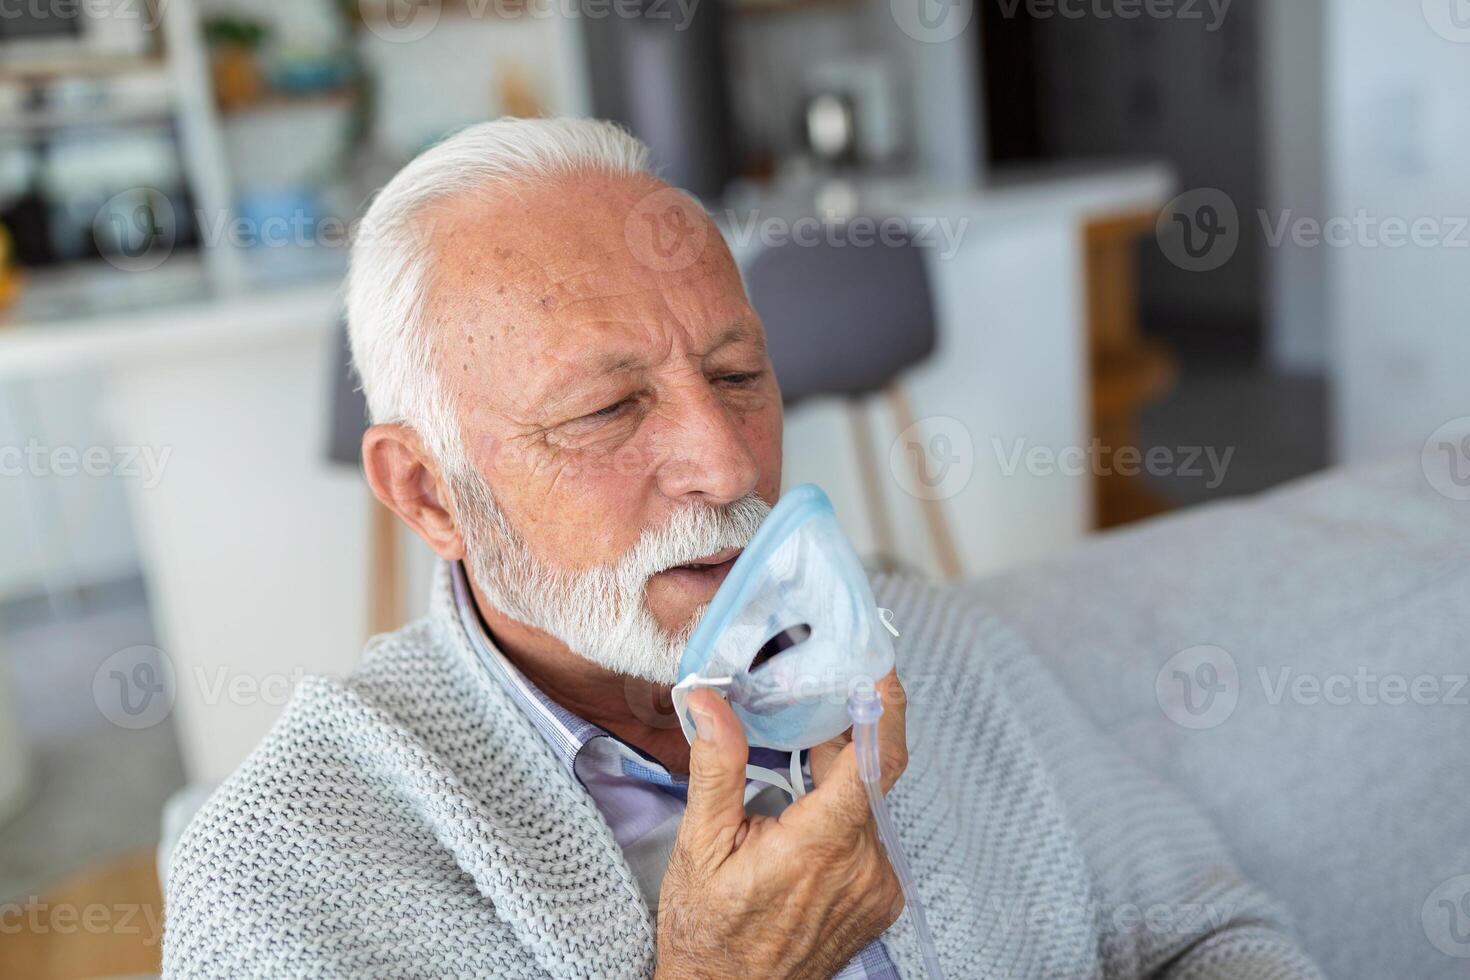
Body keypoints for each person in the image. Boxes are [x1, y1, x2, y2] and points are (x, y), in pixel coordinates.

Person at [163, 117, 1322, 979]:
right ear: (428, 489)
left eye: (737, 376)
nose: (727, 464)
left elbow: (1209, 929)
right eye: (607, 410)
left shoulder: (934, 639)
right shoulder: (281, 874)